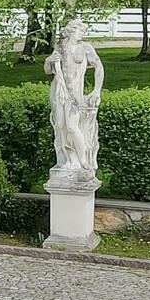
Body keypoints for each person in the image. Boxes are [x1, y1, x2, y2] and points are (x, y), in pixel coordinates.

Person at [44, 20, 104, 180]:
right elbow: (47, 70)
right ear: (71, 31)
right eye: (79, 29)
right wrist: (49, 61)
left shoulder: (85, 48)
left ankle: (83, 160)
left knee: (72, 126)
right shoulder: (60, 48)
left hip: (75, 93)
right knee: (61, 126)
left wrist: (97, 90)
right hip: (58, 91)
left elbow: (99, 66)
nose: (82, 32)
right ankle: (69, 161)